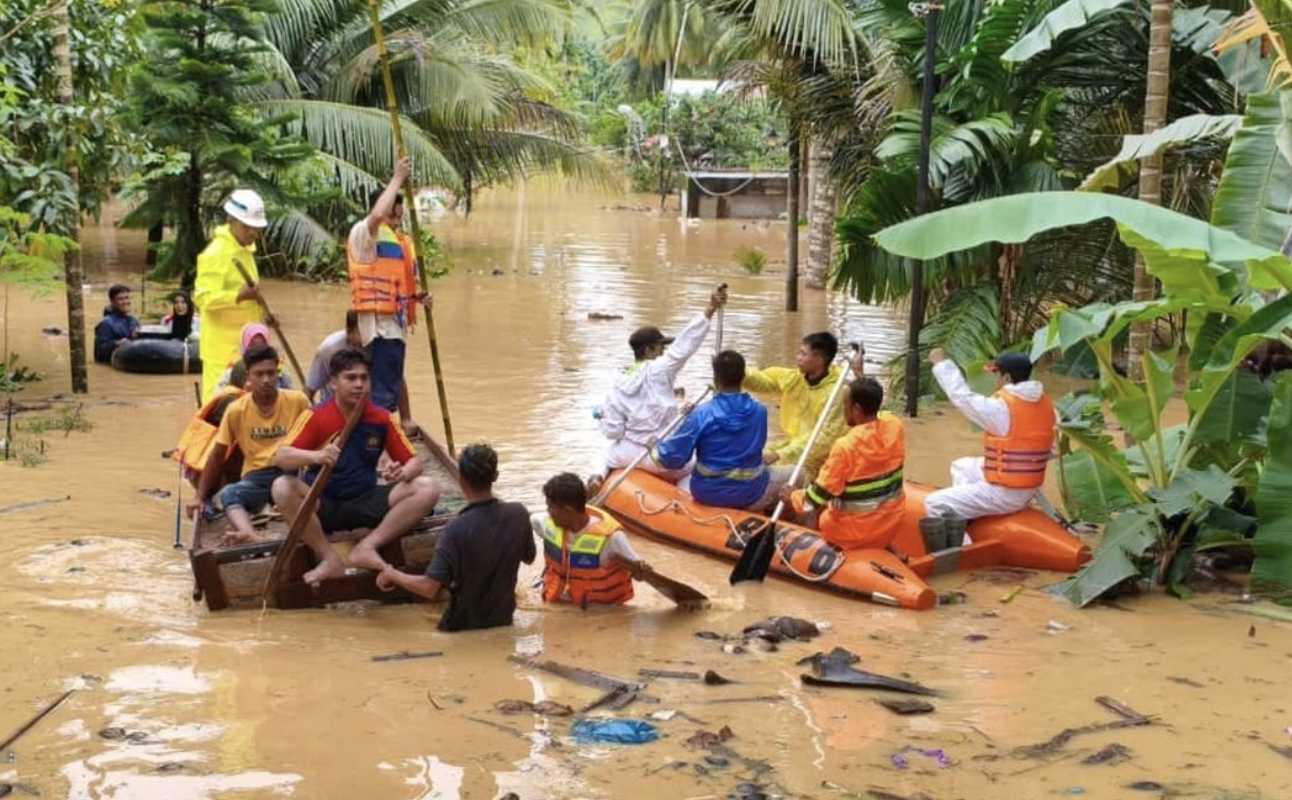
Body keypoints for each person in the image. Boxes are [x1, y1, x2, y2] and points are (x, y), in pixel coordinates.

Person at [271, 347, 441, 581]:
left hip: (365, 498)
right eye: (351, 378)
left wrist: (403, 472)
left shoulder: (380, 418)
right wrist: (316, 456)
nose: (359, 384)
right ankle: (329, 558)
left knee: (427, 487)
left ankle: (367, 547)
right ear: (333, 383)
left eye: (364, 378)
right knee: (282, 487)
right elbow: (280, 457)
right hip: (323, 504)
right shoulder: (316, 416)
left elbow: (414, 462)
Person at [375, 444, 535, 632]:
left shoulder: (454, 530)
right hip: (503, 621)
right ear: (495, 477)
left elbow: (428, 588)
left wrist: (392, 574)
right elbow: (529, 557)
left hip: (460, 629)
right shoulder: (519, 514)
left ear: (461, 480)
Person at [597, 285, 728, 483]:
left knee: (608, 452)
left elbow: (612, 431)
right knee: (696, 464)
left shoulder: (618, 382)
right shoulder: (660, 369)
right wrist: (710, 309)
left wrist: (603, 419)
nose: (664, 352)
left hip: (629, 455)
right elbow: (685, 344)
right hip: (661, 457)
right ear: (648, 349)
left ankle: (597, 478)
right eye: (660, 347)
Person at [922, 349, 1056, 538]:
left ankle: (963, 551)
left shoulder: (1001, 408)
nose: (996, 381)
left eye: (997, 375)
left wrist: (941, 363)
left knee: (934, 503)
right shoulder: (1048, 406)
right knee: (961, 466)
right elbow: (1053, 449)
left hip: (1007, 494)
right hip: (1028, 488)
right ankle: (966, 517)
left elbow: (961, 397)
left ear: (1007, 377)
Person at [188, 345, 310, 547]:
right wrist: (199, 496)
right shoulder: (236, 410)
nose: (266, 380)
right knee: (229, 494)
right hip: (256, 477)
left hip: (291, 472)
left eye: (271, 373)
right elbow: (217, 455)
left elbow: (316, 437)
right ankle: (247, 531)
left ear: (277, 374)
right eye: (259, 374)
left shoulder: (298, 400)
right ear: (248, 377)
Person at [783, 374, 906, 551]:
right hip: (891, 525)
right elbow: (879, 411)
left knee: (818, 511)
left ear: (856, 409)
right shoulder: (895, 426)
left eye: (845, 405)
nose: (844, 410)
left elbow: (813, 500)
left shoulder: (845, 446)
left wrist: (792, 496)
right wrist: (859, 374)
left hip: (852, 534)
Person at [347, 157, 428, 415]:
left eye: (398, 217)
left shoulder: (400, 241)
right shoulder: (365, 233)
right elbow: (377, 215)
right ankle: (378, 452)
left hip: (393, 329)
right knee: (381, 399)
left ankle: (383, 439)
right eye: (391, 214)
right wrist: (398, 178)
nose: (394, 220)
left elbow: (400, 288)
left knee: (385, 391)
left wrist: (419, 299)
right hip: (379, 331)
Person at [652, 350, 778, 510]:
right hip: (751, 491)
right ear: (743, 377)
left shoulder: (701, 414)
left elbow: (672, 458)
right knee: (797, 473)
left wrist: (655, 448)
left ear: (716, 380)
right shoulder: (760, 411)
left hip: (708, 492)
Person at [743, 332, 849, 486]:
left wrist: (780, 454)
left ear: (819, 360)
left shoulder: (837, 392)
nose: (797, 357)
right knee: (748, 459)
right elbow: (762, 381)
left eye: (803, 354)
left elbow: (823, 439)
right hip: (792, 447)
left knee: (769, 474)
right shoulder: (794, 378)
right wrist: (738, 370)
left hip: (816, 459)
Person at [195, 189, 269, 401]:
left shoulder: (245, 252)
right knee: (218, 404)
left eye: (255, 228)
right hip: (221, 349)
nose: (252, 233)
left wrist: (264, 318)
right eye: (247, 227)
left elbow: (252, 296)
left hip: (245, 347)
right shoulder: (216, 254)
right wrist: (238, 296)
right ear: (232, 221)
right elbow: (203, 298)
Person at [532, 472, 647, 607]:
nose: (548, 512)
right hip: (557, 602)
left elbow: (638, 571)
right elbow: (532, 520)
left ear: (568, 510)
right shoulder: (544, 523)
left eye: (550, 507)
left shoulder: (612, 537)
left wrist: (640, 569)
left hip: (599, 612)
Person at [215, 322, 292, 391]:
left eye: (261, 345)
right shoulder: (233, 370)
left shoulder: (279, 370)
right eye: (252, 345)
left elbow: (289, 392)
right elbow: (220, 393)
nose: (257, 349)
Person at [306, 311, 363, 403]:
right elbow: (310, 389)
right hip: (333, 407)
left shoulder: (379, 345)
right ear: (349, 330)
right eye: (362, 332)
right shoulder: (329, 349)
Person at [93, 284, 140, 363]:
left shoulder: (133, 320)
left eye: (127, 298)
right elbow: (99, 354)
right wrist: (117, 343)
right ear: (112, 302)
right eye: (120, 299)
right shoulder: (106, 324)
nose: (125, 302)